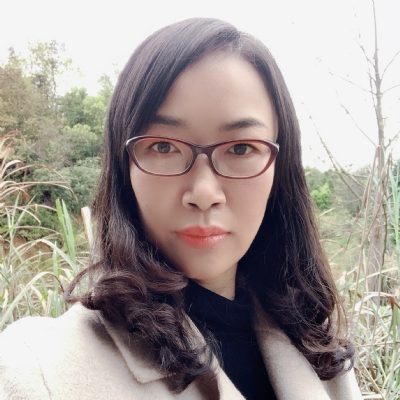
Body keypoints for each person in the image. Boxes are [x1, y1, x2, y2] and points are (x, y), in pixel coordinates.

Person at [0, 18, 362, 400]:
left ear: (280, 168)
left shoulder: (319, 348)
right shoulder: (39, 371)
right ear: (123, 168)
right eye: (163, 147)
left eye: (241, 148)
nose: (204, 193)